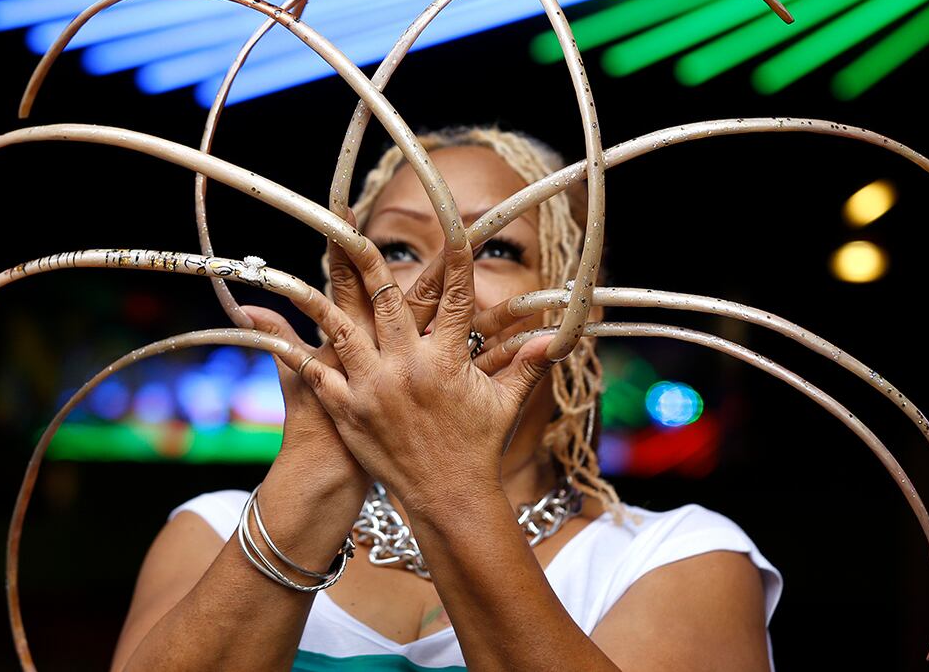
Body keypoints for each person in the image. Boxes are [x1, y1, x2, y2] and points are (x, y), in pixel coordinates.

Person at [108, 126, 782, 672]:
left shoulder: (678, 557)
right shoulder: (215, 532)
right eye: (398, 247)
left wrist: (446, 485)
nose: (436, 281)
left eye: (493, 247)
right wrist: (312, 482)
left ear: (578, 307)